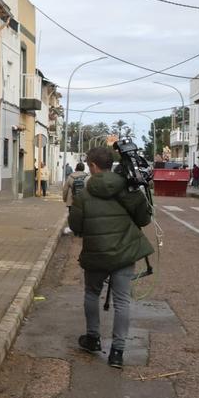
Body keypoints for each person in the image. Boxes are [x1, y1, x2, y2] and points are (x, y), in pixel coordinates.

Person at [67, 145, 154, 369]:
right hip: (125, 253)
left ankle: (93, 338)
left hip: (96, 253)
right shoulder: (128, 189)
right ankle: (117, 352)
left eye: (88, 164)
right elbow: (144, 220)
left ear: (94, 166)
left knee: (92, 293)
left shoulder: (84, 194)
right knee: (122, 301)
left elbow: (75, 225)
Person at [60, 162, 88, 234]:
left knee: (72, 215)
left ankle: (72, 228)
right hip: (84, 200)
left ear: (76, 168)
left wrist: (64, 198)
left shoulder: (70, 176)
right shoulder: (87, 177)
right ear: (83, 168)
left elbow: (65, 189)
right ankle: (82, 228)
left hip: (72, 200)